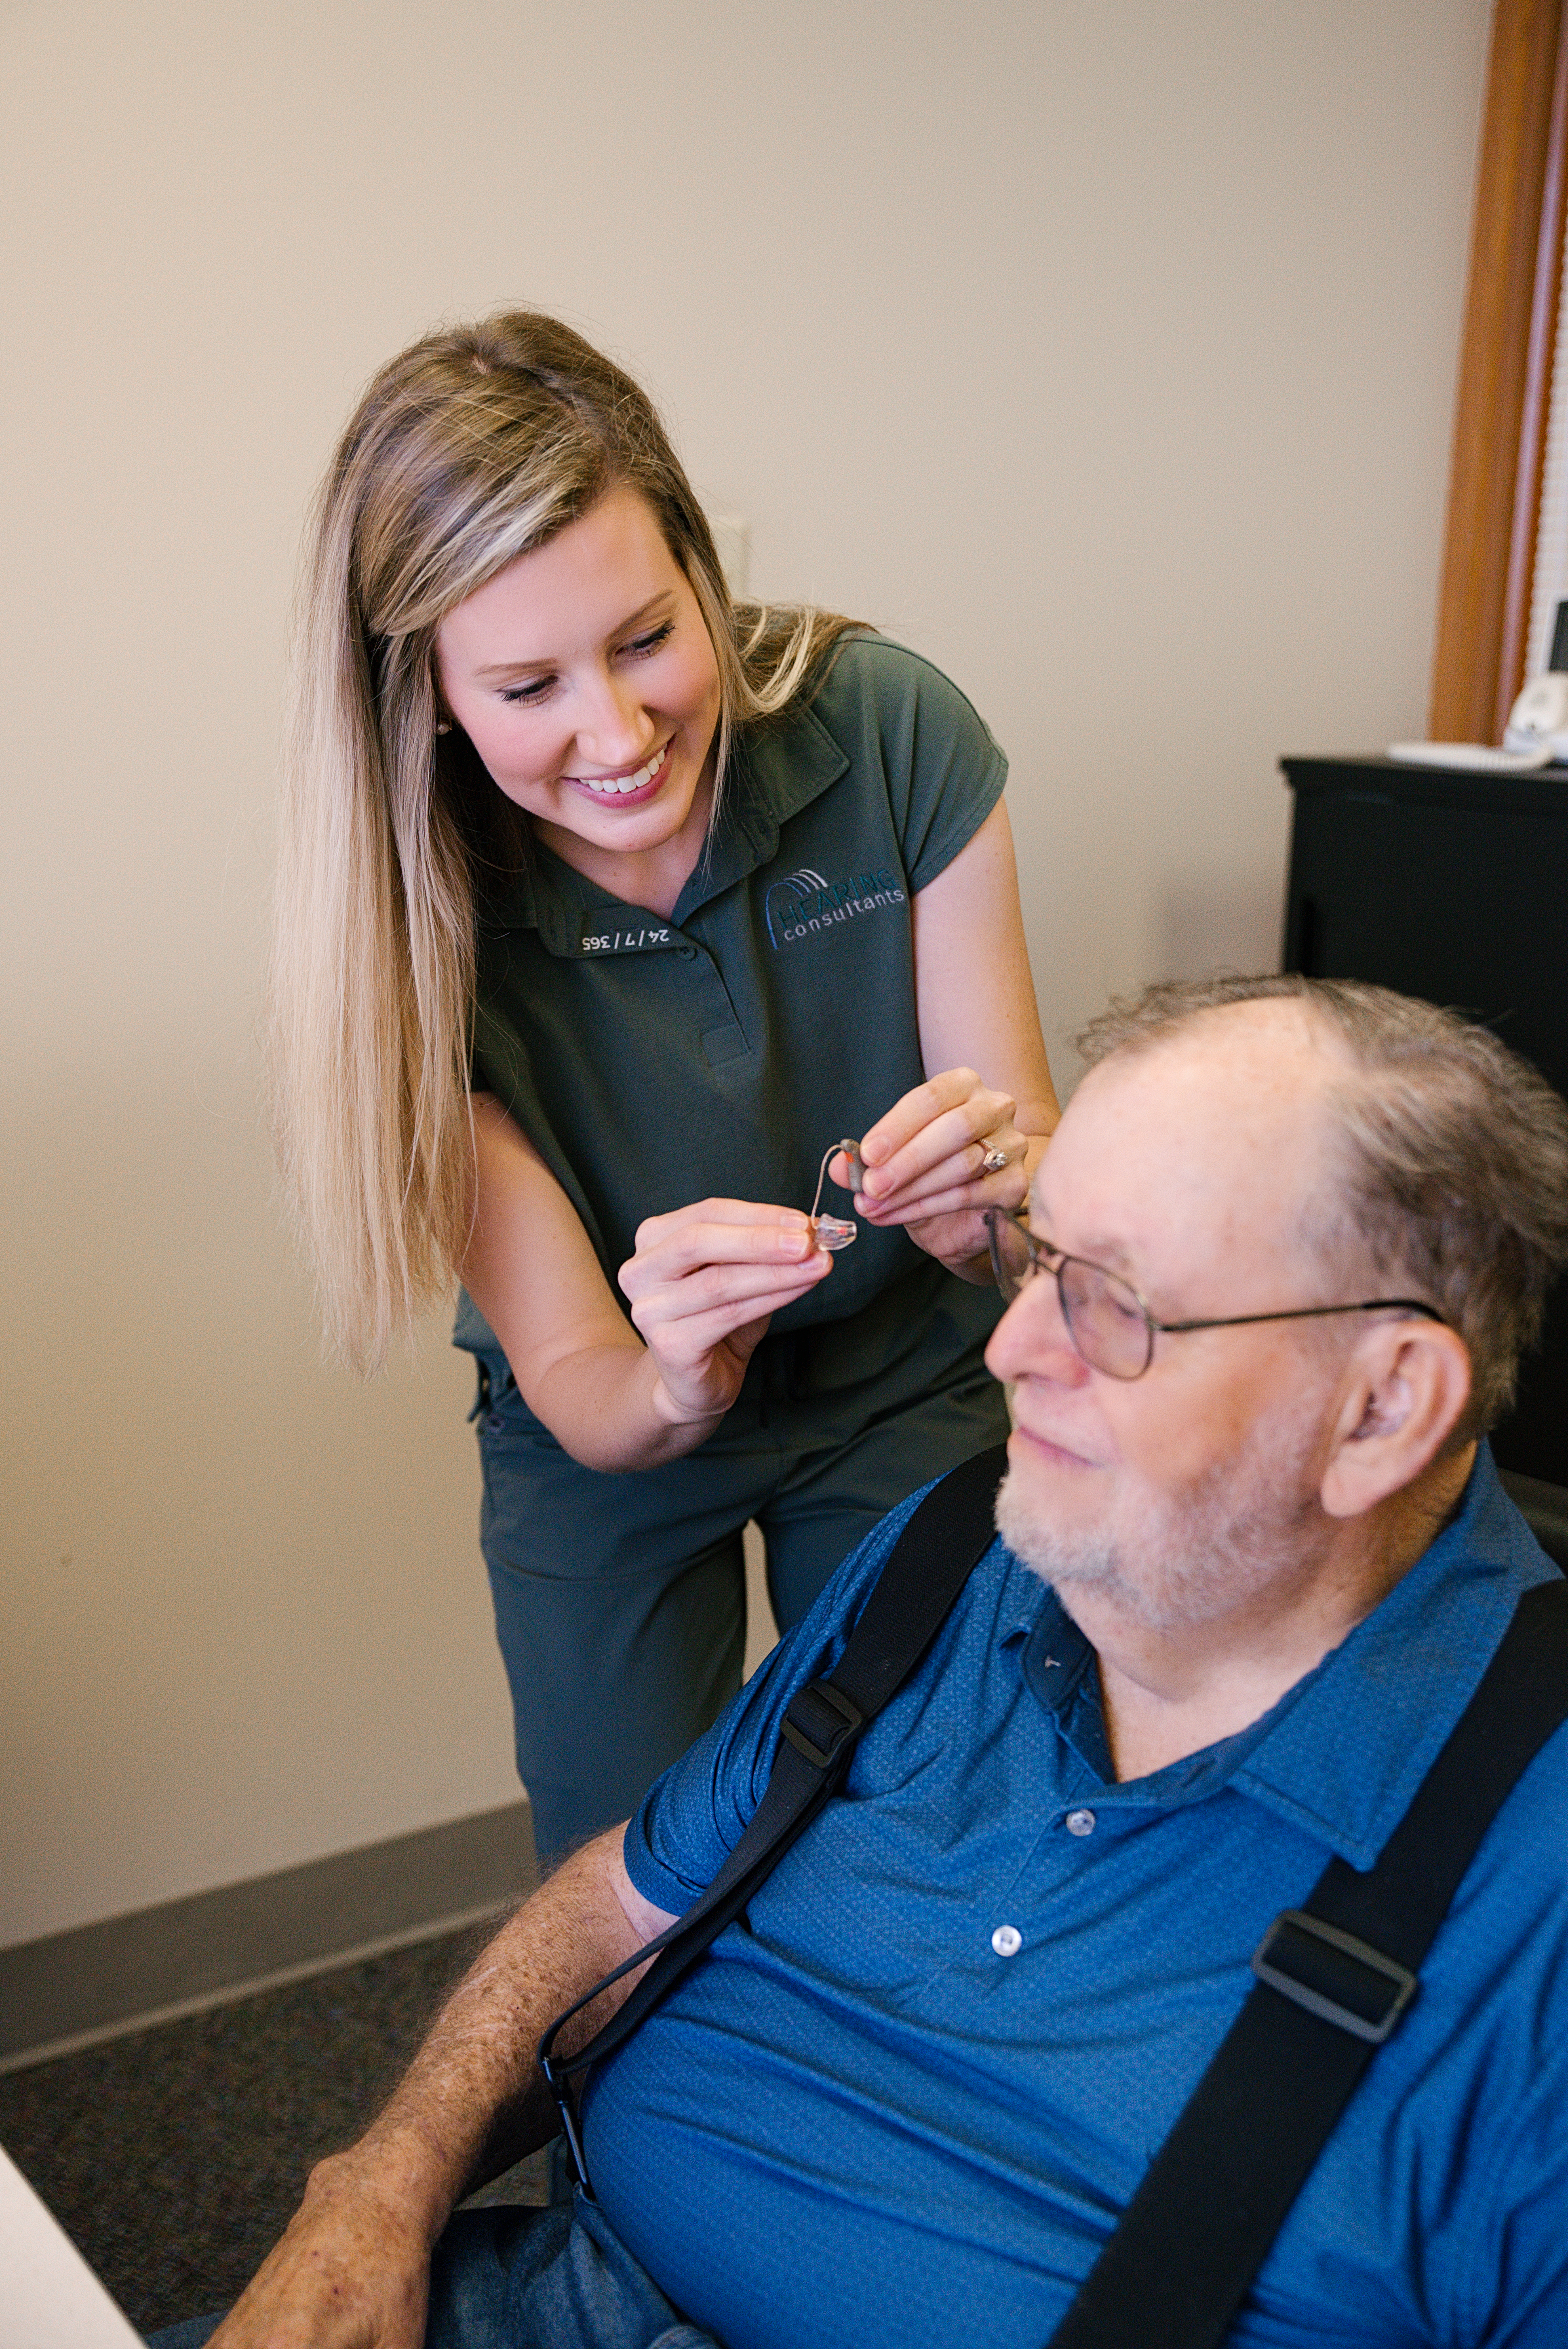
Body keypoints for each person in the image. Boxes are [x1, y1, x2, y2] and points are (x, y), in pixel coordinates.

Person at [181, 974, 1568, 2349]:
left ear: (1384, 1407)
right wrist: (376, 2188)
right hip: (564, 2291)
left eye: (1116, 1305)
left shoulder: (1530, 1873)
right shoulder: (968, 1543)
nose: (1014, 1348)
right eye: (1038, 1259)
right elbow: (628, 1897)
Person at [270, 310, 1060, 1864]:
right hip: (608, 1435)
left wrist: (994, 1207)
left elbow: (1029, 1175)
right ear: (425, 694)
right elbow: (585, 1377)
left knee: (942, 1810)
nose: (619, 735)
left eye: (647, 639)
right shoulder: (408, 920)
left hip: (905, 1362)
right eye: (529, 687)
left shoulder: (889, 733)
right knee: (629, 1884)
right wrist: (681, 1375)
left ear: (702, 567)